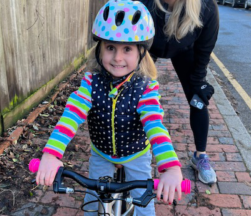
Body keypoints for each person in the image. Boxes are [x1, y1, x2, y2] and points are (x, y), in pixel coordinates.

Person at [36, 0, 183, 215]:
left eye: (127, 49)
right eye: (110, 47)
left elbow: (155, 127)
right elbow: (71, 115)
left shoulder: (145, 88)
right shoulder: (91, 83)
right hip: (102, 153)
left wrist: (170, 168)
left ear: (142, 53)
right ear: (99, 49)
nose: (117, 57)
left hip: (136, 155)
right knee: (92, 201)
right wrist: (51, 154)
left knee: (144, 204)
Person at [135, 0, 219, 185]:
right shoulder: (144, 2)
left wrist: (198, 82)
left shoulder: (207, 8)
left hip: (184, 50)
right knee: (131, 92)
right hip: (148, 48)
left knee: (197, 98)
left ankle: (200, 156)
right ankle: (126, 148)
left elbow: (204, 50)